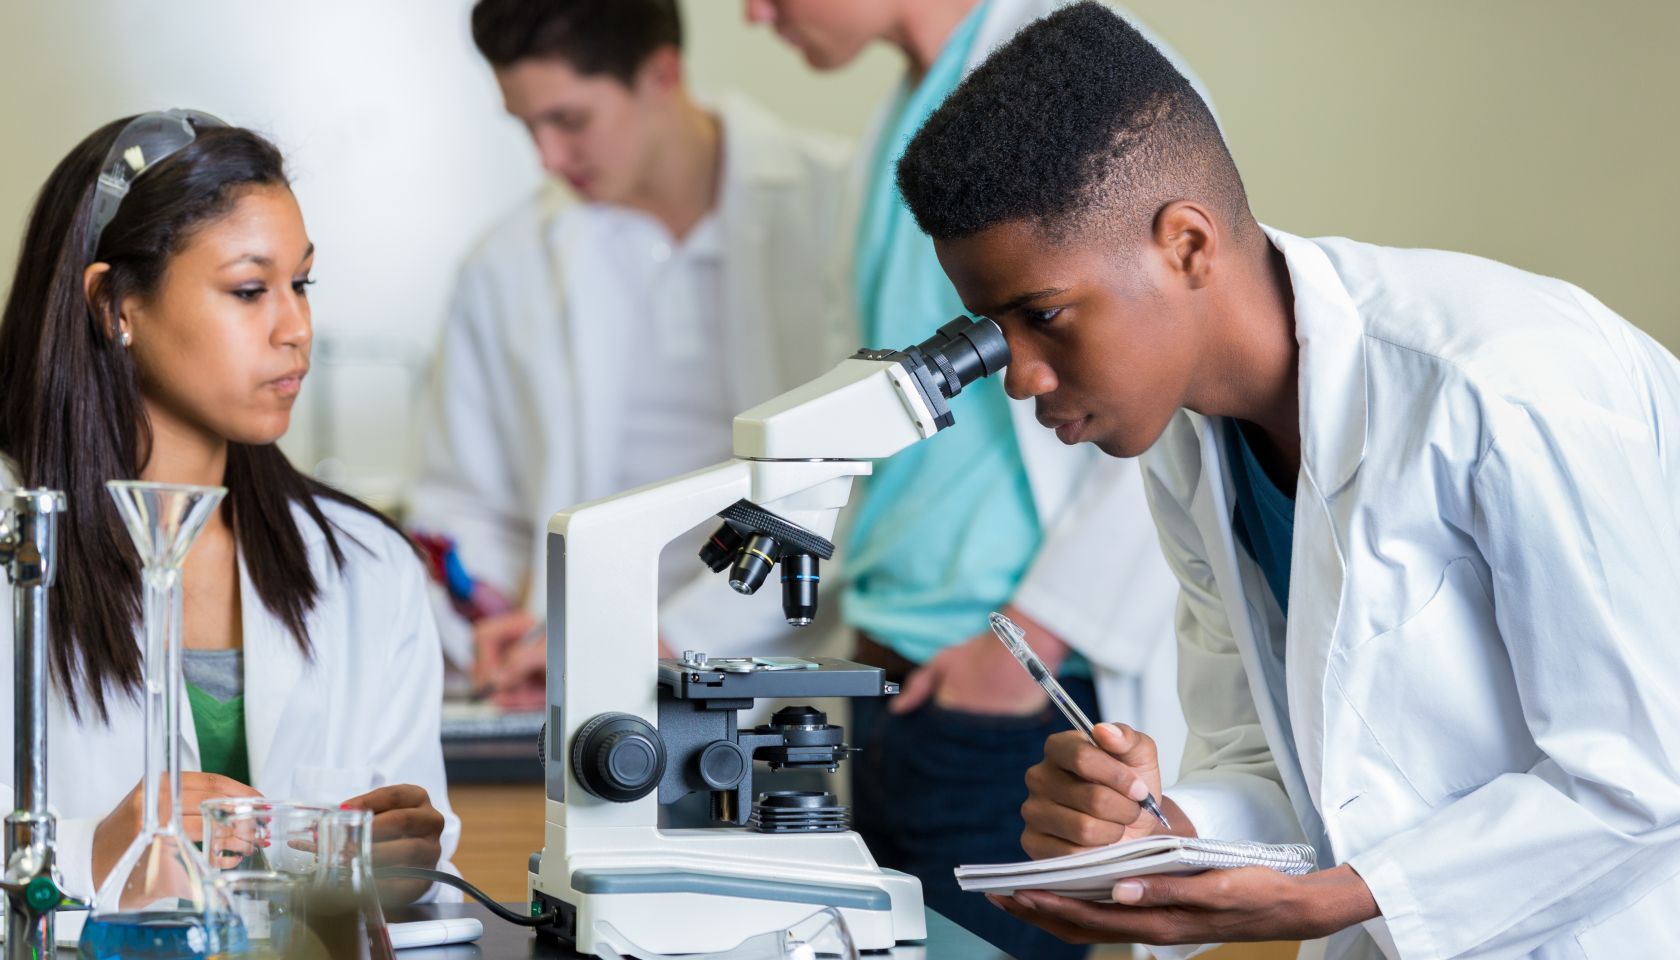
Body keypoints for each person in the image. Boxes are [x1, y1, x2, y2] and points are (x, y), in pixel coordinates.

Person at [891, 3, 1680, 956]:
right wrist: (1160, 825)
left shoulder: (1501, 384)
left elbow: (1644, 777)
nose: (1018, 377)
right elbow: (1273, 755)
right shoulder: (1193, 445)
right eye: (996, 331)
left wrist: (1336, 898)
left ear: (1186, 243)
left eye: (1045, 316)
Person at [746, 2, 1194, 955]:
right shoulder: (893, 132)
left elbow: (1167, 366)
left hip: (1009, 700)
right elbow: (861, 436)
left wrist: (1025, 644)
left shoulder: (1073, 72)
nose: (753, 12)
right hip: (887, 681)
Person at [0, 111, 457, 904]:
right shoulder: (19, 545)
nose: (297, 329)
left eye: (301, 283)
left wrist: (401, 867)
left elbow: (426, 896)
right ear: (114, 306)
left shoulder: (366, 567)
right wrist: (86, 854)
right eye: (250, 290)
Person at [410, 0, 852, 708]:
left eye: (570, 120)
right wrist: (485, 623)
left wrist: (671, 637)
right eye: (527, 126)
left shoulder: (838, 209)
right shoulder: (505, 264)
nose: (548, 157)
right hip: (585, 684)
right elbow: (464, 496)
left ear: (662, 73)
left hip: (794, 675)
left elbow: (845, 479)